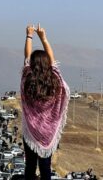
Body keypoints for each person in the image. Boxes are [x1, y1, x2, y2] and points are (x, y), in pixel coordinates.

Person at [21, 23, 70, 180]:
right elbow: (53, 61)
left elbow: (27, 57)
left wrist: (29, 35)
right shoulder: (55, 80)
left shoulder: (27, 80)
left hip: (31, 130)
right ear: (48, 64)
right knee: (45, 167)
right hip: (48, 133)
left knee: (30, 165)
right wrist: (43, 38)